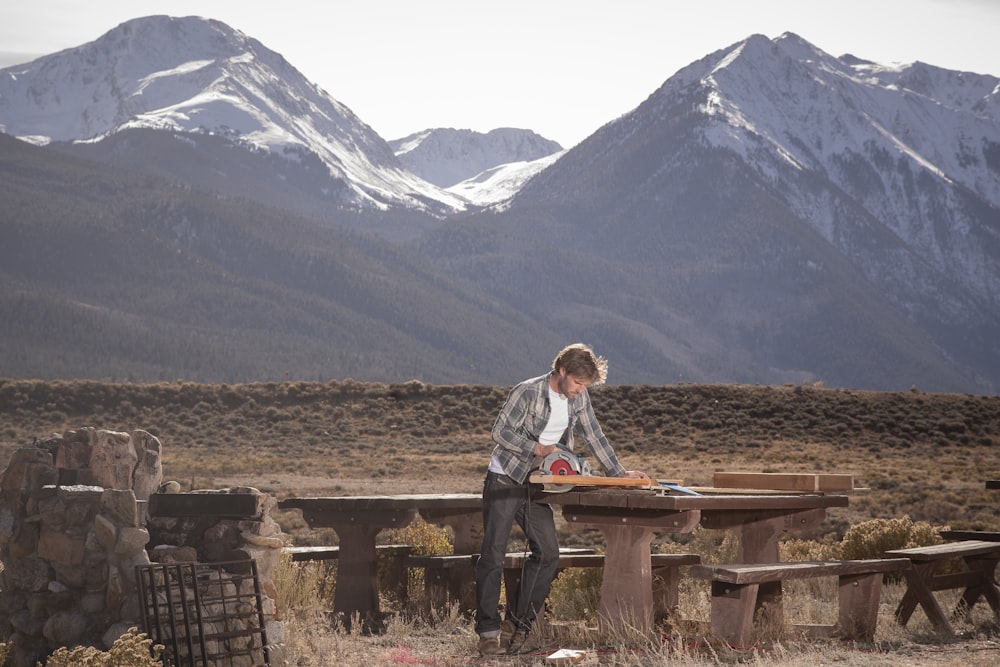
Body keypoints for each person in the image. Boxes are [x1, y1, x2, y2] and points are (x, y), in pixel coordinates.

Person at [474, 343, 648, 656]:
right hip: (505, 478)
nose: (582, 390)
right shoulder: (527, 391)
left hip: (538, 484)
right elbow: (500, 432)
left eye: (586, 385)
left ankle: (516, 625)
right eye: (578, 383)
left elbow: (594, 434)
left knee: (548, 553)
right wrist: (536, 449)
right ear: (562, 371)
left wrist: (620, 474)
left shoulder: (578, 398)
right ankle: (488, 633)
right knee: (493, 555)